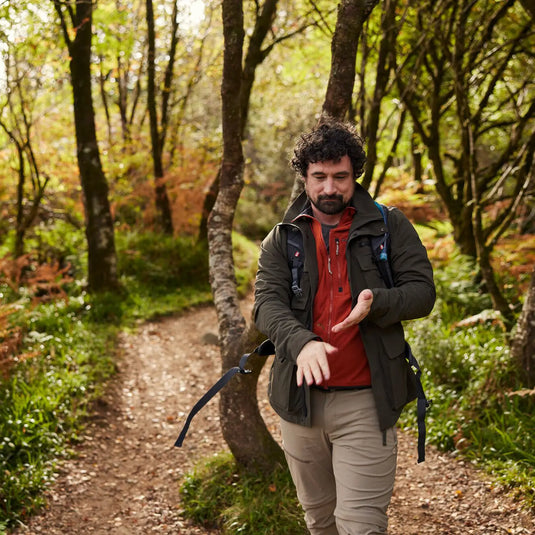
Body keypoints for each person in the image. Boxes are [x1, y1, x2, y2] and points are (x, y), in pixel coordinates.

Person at [253, 119, 436, 535]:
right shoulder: (282, 238)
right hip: (299, 404)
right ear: (304, 178)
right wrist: (301, 343)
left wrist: (378, 303)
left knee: (361, 526)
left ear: (355, 175)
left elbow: (423, 292)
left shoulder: (390, 226)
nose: (329, 188)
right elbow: (266, 305)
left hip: (368, 402)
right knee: (320, 523)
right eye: (319, 177)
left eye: (340, 176)